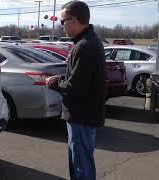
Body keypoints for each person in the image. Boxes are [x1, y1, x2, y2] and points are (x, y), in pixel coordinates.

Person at [45, 1, 106, 180]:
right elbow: (78, 80)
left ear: (74, 20)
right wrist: (62, 79)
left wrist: (53, 82)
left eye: (63, 21)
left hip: (82, 116)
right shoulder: (87, 42)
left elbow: (76, 87)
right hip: (82, 115)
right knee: (79, 161)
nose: (61, 25)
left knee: (82, 165)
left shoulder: (85, 46)